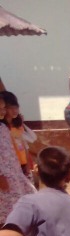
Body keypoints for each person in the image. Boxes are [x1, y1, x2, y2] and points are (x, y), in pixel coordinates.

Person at [0, 94, 35, 225]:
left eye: (4, 107)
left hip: (15, 170)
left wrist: (27, 164)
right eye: (2, 108)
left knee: (25, 195)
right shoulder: (4, 128)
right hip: (5, 174)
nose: (3, 111)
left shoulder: (5, 127)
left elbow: (20, 147)